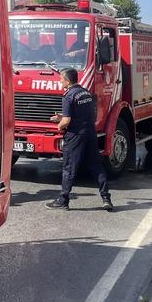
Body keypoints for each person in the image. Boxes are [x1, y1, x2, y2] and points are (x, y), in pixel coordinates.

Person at [47, 68, 112, 211]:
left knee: (69, 168)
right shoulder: (86, 93)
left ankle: (63, 200)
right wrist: (63, 117)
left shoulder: (68, 96)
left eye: (61, 79)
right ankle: (106, 198)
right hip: (90, 133)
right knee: (96, 166)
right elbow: (84, 113)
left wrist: (59, 124)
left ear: (67, 81)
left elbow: (66, 121)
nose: (60, 82)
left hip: (75, 136)